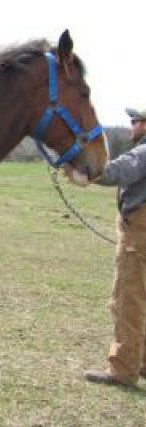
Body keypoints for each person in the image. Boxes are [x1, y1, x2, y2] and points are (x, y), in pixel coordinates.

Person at [82, 107, 146, 386]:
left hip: (139, 232)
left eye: (136, 121)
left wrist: (84, 168)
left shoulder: (143, 152)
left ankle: (123, 369)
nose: (131, 126)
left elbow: (118, 171)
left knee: (127, 300)